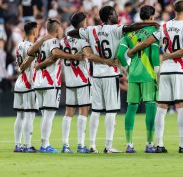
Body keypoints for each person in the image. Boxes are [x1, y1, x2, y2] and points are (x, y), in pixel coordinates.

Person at [127, 0, 183, 153]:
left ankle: (159, 145)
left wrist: (133, 50)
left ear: (174, 11)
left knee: (161, 107)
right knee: (182, 106)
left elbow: (148, 41)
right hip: (180, 70)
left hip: (165, 70)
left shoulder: (164, 26)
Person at [67, 6, 157, 153]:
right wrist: (151, 24)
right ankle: (108, 146)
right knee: (111, 111)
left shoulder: (91, 30)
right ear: (110, 16)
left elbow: (72, 33)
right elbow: (132, 27)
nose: (117, 16)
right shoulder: (115, 28)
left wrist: (81, 31)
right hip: (110, 72)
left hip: (95, 74)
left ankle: (92, 145)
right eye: (115, 14)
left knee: (95, 111)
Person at [60, 12, 117, 153]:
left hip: (69, 79)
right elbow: (90, 56)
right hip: (82, 79)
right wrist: (106, 61)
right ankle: (81, 145)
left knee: (68, 112)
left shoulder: (63, 41)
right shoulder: (82, 40)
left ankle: (65, 145)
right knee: (84, 111)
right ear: (84, 22)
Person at [27, 19, 83, 153]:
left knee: (45, 114)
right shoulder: (54, 41)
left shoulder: (42, 41)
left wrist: (40, 41)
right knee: (49, 114)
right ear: (57, 30)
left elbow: (30, 51)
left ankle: (44, 143)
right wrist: (73, 56)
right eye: (61, 28)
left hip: (39, 82)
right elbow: (56, 54)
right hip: (50, 82)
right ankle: (45, 144)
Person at [116, 5, 160, 153]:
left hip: (133, 74)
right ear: (152, 16)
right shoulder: (154, 31)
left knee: (131, 108)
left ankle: (129, 144)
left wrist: (127, 69)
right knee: (151, 107)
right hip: (148, 75)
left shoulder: (128, 34)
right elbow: (154, 55)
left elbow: (120, 55)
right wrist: (157, 73)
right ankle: (149, 144)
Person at [13, 21, 39, 153]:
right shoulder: (32, 47)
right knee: (29, 115)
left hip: (19, 83)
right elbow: (28, 64)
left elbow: (19, 66)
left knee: (20, 115)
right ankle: (27, 145)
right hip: (29, 83)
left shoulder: (20, 45)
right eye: (37, 29)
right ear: (34, 31)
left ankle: (17, 144)